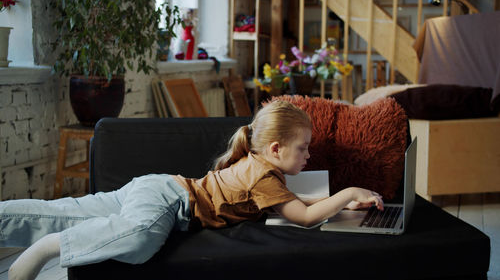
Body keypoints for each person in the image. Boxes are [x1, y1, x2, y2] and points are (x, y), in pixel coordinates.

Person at [0, 100, 383, 280]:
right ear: (277, 149)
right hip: (169, 202)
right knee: (139, 241)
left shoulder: (261, 167)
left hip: (158, 187)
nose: (309, 155)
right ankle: (50, 248)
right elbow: (301, 217)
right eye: (303, 148)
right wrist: (348, 192)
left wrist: (343, 205)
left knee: (63, 211)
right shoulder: (264, 176)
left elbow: (294, 205)